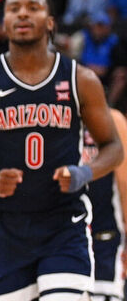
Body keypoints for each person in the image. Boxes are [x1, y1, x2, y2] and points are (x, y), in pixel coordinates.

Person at [0, 0, 124, 301]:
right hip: (6, 230)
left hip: (64, 223)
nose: (23, 13)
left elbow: (114, 147)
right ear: (4, 23)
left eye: (33, 7)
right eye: (14, 9)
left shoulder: (80, 79)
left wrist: (83, 173)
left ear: (51, 22)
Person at [84, 109, 127, 301]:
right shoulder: (54, 114)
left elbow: (125, 182)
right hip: (62, 234)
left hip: (104, 235)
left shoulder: (112, 119)